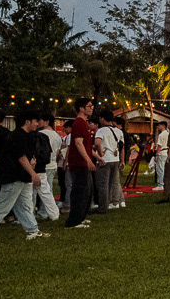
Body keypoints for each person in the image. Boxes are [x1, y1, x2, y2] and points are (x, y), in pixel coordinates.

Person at [0, 111, 51, 245]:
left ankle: (33, 231)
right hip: (13, 176)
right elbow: (21, 157)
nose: (37, 124)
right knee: (2, 207)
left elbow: (28, 155)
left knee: (24, 205)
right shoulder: (17, 136)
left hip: (22, 176)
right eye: (35, 121)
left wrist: (33, 160)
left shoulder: (28, 135)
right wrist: (33, 174)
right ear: (27, 122)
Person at [65, 98, 97, 229]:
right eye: (89, 106)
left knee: (87, 191)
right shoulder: (78, 123)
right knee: (80, 191)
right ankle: (74, 221)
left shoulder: (85, 123)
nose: (91, 109)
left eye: (91, 106)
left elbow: (86, 145)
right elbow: (78, 143)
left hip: (84, 161)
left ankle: (80, 217)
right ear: (81, 108)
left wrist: (97, 157)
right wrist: (88, 160)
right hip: (79, 163)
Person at [33, 113, 63, 220]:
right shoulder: (57, 135)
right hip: (53, 163)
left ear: (46, 122)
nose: (37, 123)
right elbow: (58, 152)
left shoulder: (41, 134)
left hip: (42, 165)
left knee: (35, 190)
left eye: (39, 121)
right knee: (47, 190)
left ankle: (36, 212)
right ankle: (46, 212)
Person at [94, 112, 125, 211]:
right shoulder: (119, 131)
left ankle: (103, 207)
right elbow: (122, 147)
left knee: (102, 184)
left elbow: (97, 143)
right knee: (112, 183)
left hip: (104, 160)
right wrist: (122, 160)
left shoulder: (101, 130)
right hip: (115, 159)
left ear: (103, 119)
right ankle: (113, 202)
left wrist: (100, 154)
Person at [153, 120, 169, 190]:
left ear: (163, 126)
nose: (158, 127)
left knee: (160, 169)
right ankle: (164, 183)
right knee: (164, 169)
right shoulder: (168, 134)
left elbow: (159, 145)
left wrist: (156, 154)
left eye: (159, 126)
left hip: (161, 152)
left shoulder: (161, 135)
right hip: (166, 152)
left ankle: (160, 184)